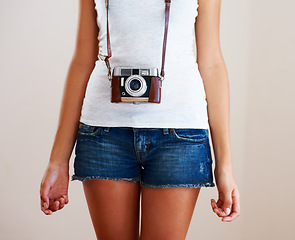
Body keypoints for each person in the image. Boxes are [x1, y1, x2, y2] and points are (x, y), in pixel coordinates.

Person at [40, 0, 240, 239]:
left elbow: (212, 63)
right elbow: (83, 61)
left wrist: (225, 166)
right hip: (104, 133)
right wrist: (57, 161)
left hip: (179, 136)